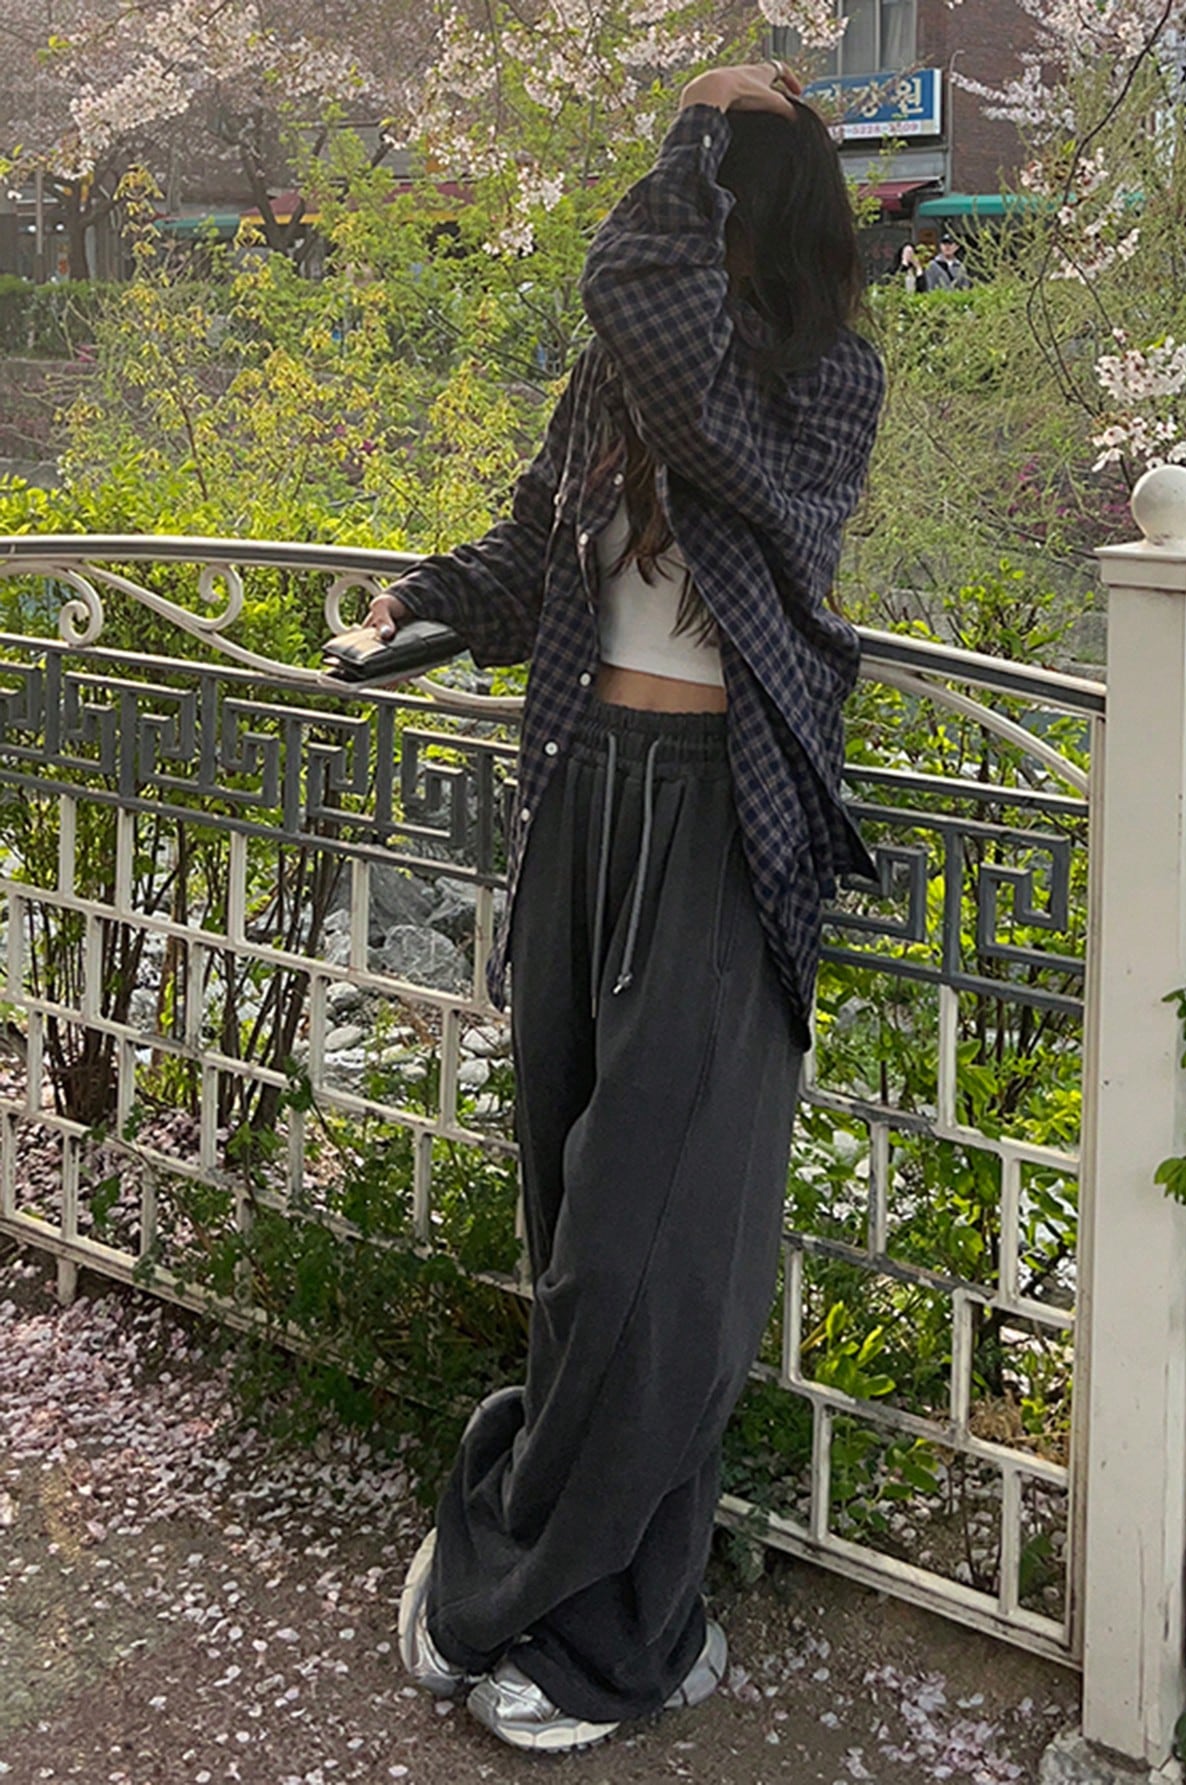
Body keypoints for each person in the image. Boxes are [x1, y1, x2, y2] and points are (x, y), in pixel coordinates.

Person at [362, 58, 885, 1756]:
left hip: (729, 817)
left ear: (749, 196)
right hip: (584, 795)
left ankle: (535, 1602)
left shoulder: (824, 376)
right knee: (574, 1217)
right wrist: (416, 605)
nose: (688, 178)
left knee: (647, 1257)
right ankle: (623, 1614)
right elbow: (539, 548)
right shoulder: (617, 375)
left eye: (712, 155)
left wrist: (708, 121)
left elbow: (649, 313)